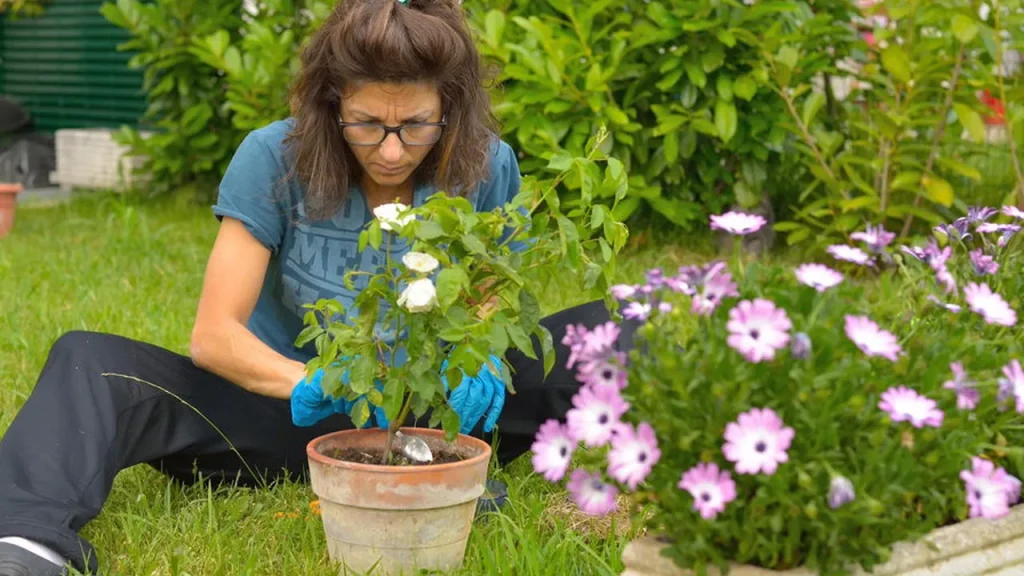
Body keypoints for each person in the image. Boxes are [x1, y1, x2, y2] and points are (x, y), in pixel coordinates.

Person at [0, 0, 620, 575]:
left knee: (631, 322)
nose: (393, 150)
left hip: (443, 415)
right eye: (367, 124)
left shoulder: (486, 161)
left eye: (418, 125)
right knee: (91, 364)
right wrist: (321, 383)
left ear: (450, 107)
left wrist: (479, 355)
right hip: (292, 417)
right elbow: (214, 337)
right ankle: (27, 542)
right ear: (331, 104)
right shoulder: (274, 156)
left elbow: (490, 295)